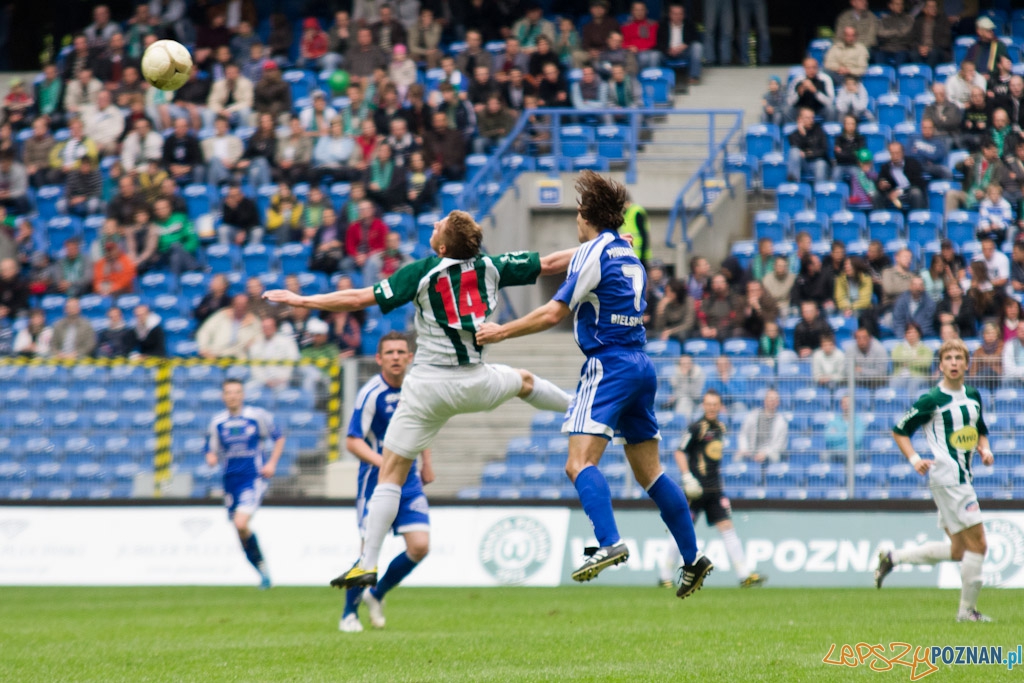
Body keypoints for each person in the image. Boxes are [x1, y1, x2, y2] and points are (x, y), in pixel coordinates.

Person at [263, 209, 577, 591]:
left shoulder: (423, 272)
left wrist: (304, 300)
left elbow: (358, 297)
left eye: (438, 225)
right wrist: (599, 248)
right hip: (475, 382)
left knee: (391, 471)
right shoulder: (493, 267)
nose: (432, 225)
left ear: (443, 246)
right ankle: (579, 408)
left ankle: (367, 562)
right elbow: (550, 263)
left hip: (427, 386)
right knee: (525, 382)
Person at [472, 171, 710, 597]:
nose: (575, 220)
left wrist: (500, 331)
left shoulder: (590, 253)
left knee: (578, 463)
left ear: (587, 216)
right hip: (642, 364)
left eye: (578, 213)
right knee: (651, 473)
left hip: (609, 365)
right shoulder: (628, 252)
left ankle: (608, 542)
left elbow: (552, 313)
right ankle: (693, 558)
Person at [876, 339, 995, 623]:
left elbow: (979, 428)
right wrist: (914, 458)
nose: (954, 362)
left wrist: (985, 448)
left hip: (961, 478)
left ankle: (893, 557)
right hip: (949, 478)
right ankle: (967, 612)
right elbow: (900, 430)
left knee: (959, 550)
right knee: (979, 545)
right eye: (948, 358)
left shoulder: (973, 395)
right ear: (940, 365)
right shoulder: (931, 400)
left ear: (967, 364)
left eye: (959, 358)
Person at [333, 332, 435, 633]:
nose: (395, 356)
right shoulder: (370, 394)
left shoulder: (418, 390)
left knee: (420, 546)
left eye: (400, 351)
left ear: (410, 357)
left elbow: (423, 427)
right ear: (379, 359)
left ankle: (375, 595)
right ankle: (348, 614)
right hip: (375, 482)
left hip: (411, 481)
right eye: (388, 352)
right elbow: (352, 442)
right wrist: (388, 464)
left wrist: (426, 462)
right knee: (369, 549)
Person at [659, 390, 766, 589]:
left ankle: (744, 574)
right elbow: (679, 452)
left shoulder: (720, 428)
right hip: (695, 490)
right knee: (682, 529)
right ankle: (665, 575)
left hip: (715, 490)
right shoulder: (696, 428)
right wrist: (687, 477)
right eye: (708, 404)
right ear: (703, 405)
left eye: (715, 404)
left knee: (727, 527)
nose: (711, 407)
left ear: (719, 406)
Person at [205, 379, 286, 591]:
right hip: (230, 481)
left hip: (252, 479)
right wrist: (211, 456)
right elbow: (210, 447)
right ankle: (262, 570)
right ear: (223, 397)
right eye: (228, 392)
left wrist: (271, 463)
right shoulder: (217, 422)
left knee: (241, 523)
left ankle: (262, 570)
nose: (233, 396)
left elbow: (279, 437)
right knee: (240, 530)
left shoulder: (256, 416)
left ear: (242, 395)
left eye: (237, 392)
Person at [735, 388, 788, 463]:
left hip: (770, 454)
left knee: (774, 456)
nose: (773, 402)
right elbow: (743, 434)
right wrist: (744, 449)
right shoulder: (752, 416)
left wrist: (765, 453)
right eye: (770, 399)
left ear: (778, 402)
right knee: (738, 457)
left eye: (775, 399)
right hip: (751, 452)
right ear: (765, 401)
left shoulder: (782, 422)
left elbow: (780, 445)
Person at [787, 108, 830, 183]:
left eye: (812, 118)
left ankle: (819, 191)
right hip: (803, 164)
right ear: (799, 119)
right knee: (794, 151)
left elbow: (823, 150)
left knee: (821, 164)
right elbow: (796, 151)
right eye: (807, 118)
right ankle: (794, 184)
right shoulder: (794, 135)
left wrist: (807, 154)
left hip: (817, 162)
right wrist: (803, 135)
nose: (811, 120)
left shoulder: (819, 130)